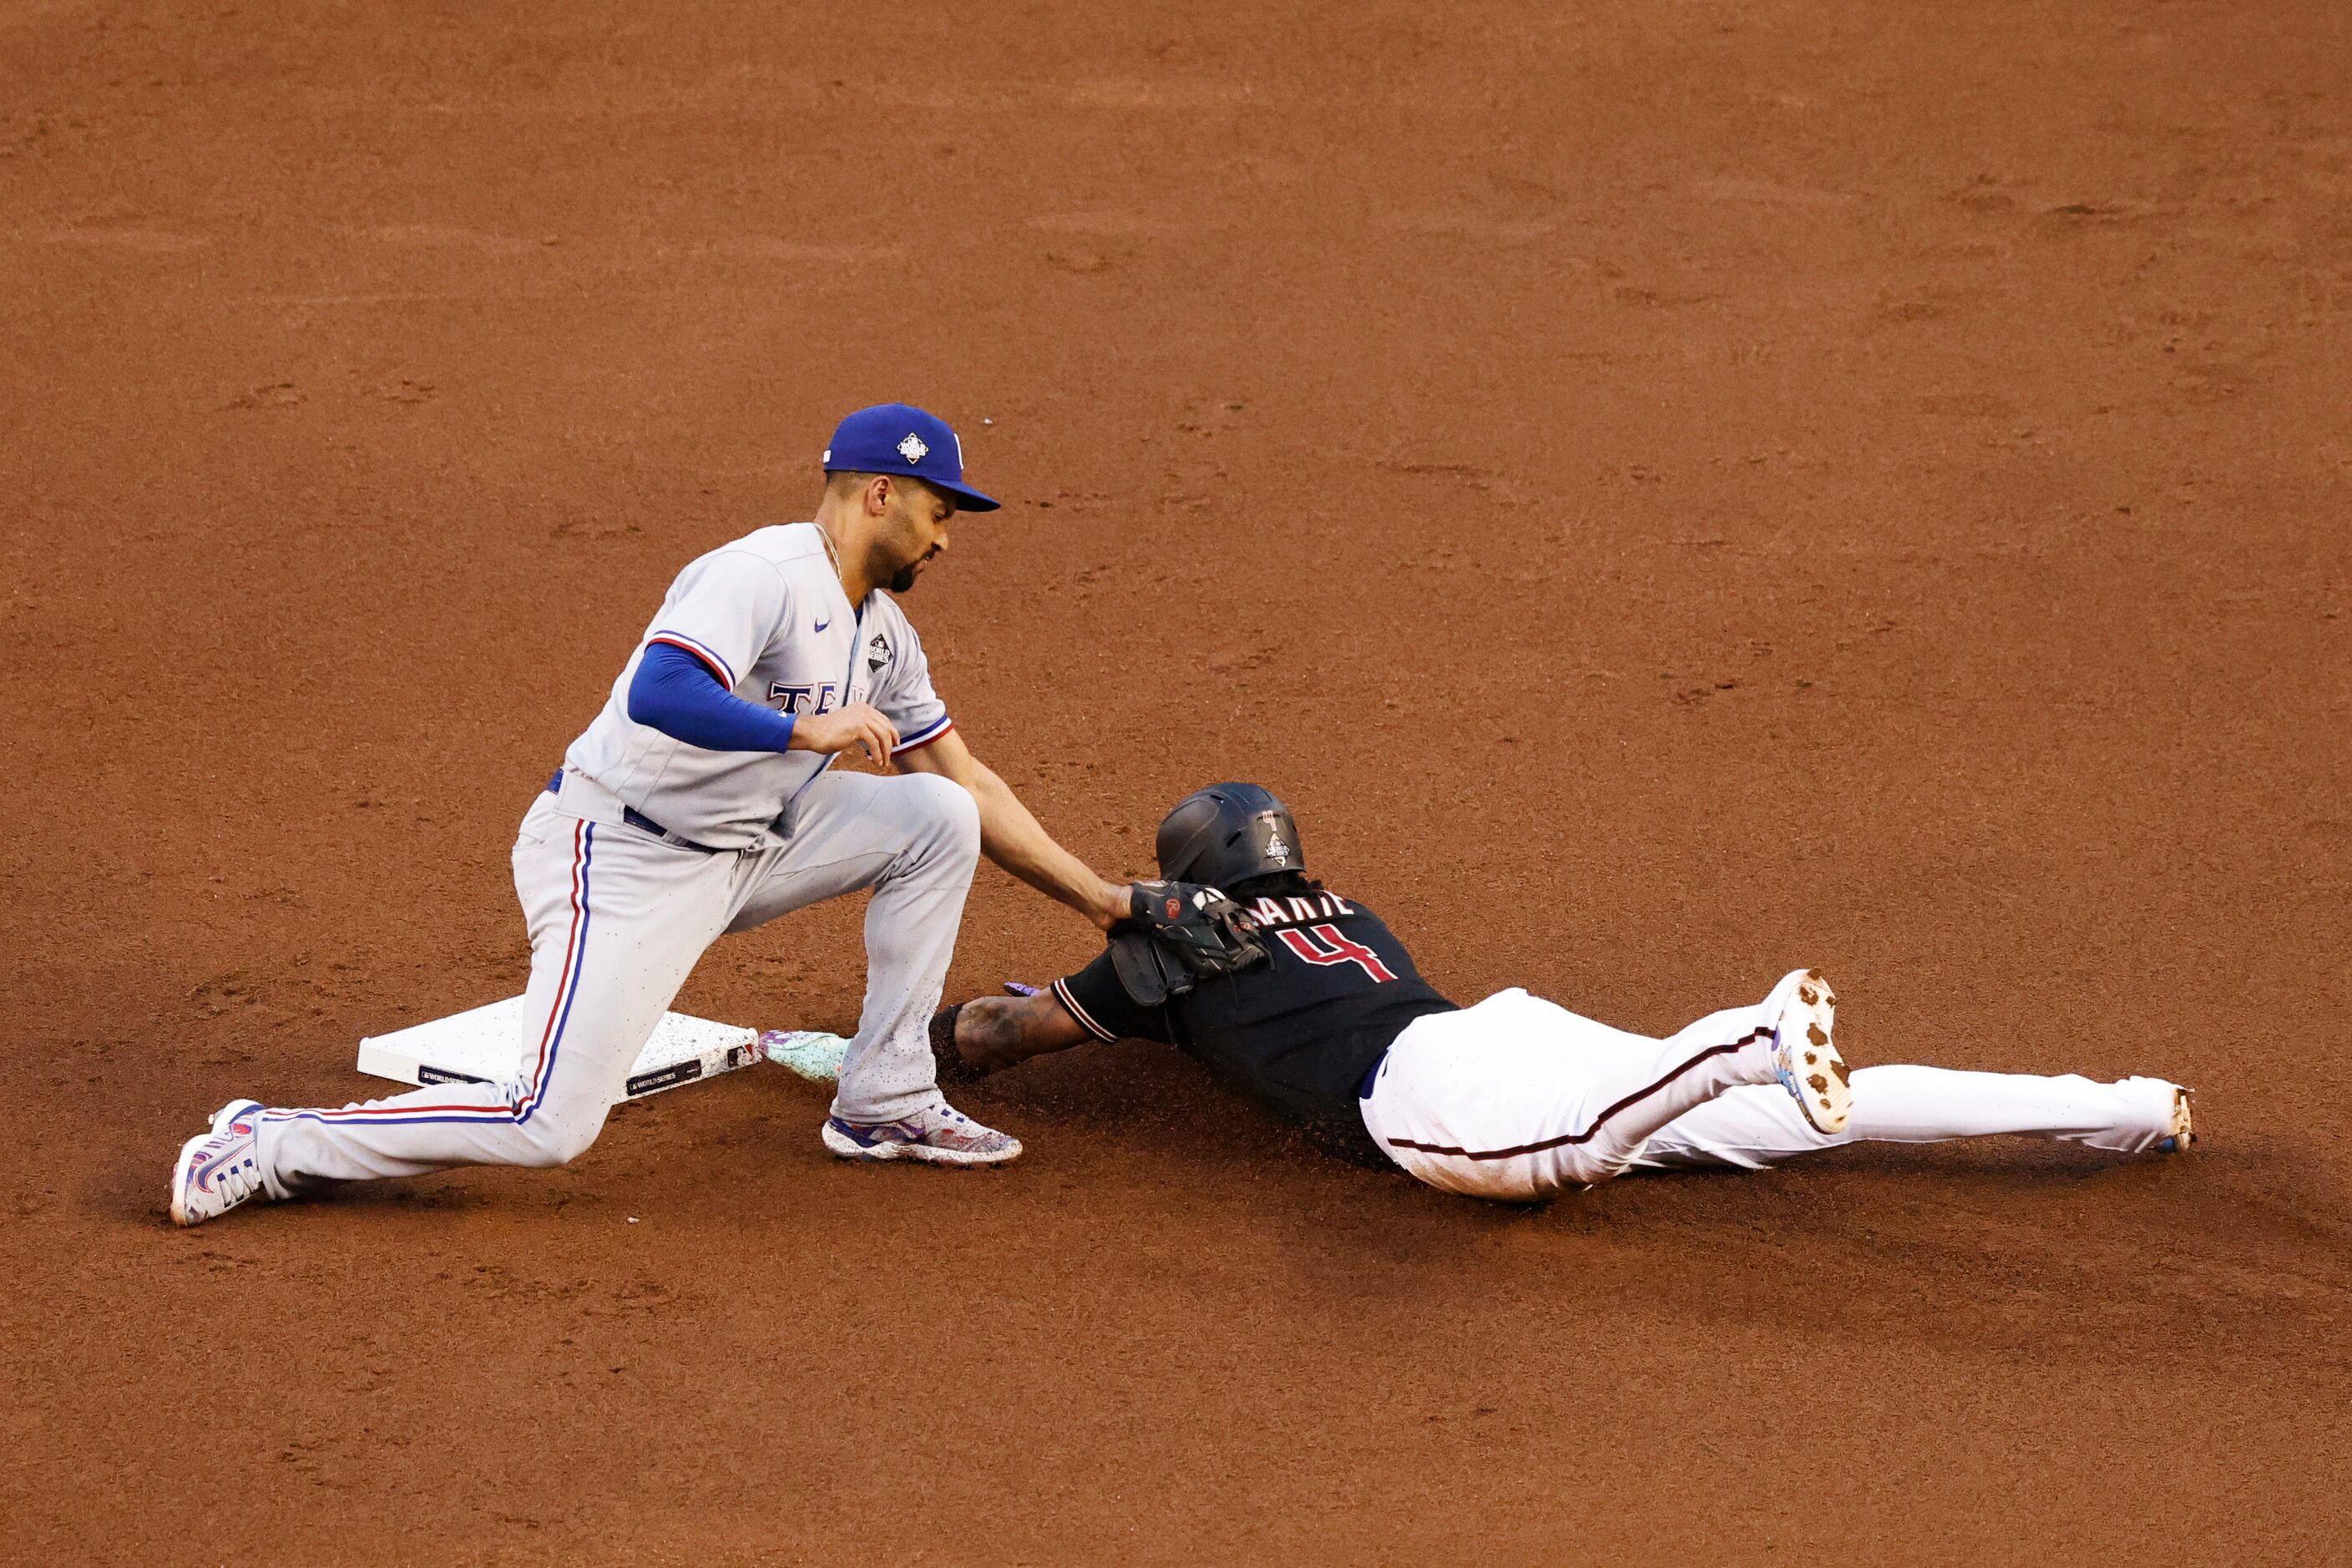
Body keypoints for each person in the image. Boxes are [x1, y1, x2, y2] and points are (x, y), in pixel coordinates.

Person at [170, 403, 1135, 1226]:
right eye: (937, 511)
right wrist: (802, 735)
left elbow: (968, 782)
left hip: (749, 848)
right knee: (549, 1124)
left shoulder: (886, 636)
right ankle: (278, 1142)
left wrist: (1101, 900)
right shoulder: (757, 573)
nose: (945, 538)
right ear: (879, 491)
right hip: (622, 855)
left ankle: (885, 1097)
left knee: (934, 814)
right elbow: (662, 691)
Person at [927, 783, 2196, 1203]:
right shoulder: (1348, 910)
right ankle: (2121, 1101)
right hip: (1499, 1026)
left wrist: (945, 1040)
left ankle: (1745, 1036)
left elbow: (1002, 1034)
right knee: (1837, 1109)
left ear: (1185, 873)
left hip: (1421, 1089)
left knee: (1566, 1159)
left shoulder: (1160, 955)